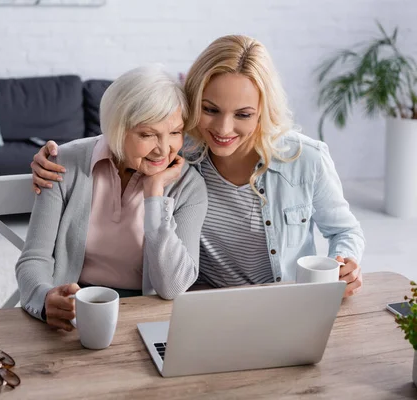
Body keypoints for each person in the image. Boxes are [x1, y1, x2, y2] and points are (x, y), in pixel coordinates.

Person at [29, 35, 365, 298]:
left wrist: (345, 262)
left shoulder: (306, 160)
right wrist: (51, 159)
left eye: (243, 114)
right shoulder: (181, 152)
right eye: (210, 109)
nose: (222, 129)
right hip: (204, 304)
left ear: (264, 110)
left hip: (285, 300)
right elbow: (133, 129)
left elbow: (345, 231)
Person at [16, 65, 208, 331]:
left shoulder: (189, 185)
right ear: (116, 129)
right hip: (76, 312)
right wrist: (44, 296)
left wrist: (155, 196)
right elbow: (34, 258)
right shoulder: (63, 164)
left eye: (175, 132)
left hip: (148, 315)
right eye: (147, 134)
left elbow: (173, 286)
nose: (164, 149)